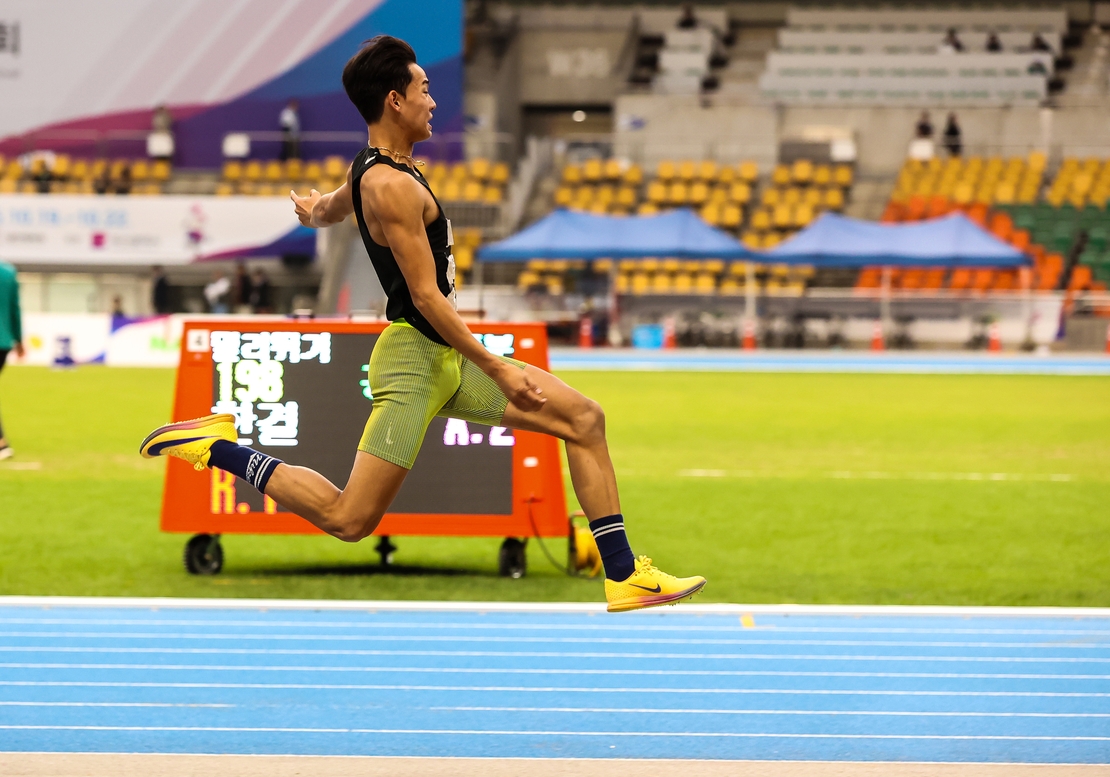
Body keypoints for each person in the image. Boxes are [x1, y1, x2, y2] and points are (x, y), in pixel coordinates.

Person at [140, 36, 706, 613]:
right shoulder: (390, 186)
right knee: (348, 519)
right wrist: (497, 367)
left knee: (584, 419)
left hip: (442, 358)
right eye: (425, 90)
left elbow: (336, 205)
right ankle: (216, 447)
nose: (433, 102)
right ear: (394, 100)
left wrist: (315, 212)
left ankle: (624, 574)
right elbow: (427, 298)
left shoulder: (376, 172)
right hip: (415, 360)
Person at [0, 258, 24, 461]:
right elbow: (15, 309)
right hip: (4, 341)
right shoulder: (8, 273)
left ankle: (1, 443)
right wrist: (19, 340)